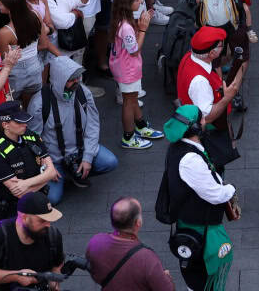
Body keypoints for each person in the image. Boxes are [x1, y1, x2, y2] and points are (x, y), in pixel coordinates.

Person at [157, 104, 236, 291]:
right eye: (201, 119)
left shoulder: (180, 148)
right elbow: (215, 194)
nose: (204, 121)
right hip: (200, 228)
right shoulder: (190, 160)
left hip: (190, 223)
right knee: (203, 273)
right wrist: (230, 189)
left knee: (195, 272)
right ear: (193, 128)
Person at [27, 56, 120, 204]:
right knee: (52, 198)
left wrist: (87, 157)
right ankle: (67, 174)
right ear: (58, 80)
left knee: (110, 162)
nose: (76, 82)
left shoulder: (83, 93)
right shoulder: (39, 103)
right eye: (71, 79)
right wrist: (46, 166)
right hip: (54, 160)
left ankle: (75, 172)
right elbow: (32, 139)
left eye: (78, 77)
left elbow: (93, 126)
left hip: (80, 152)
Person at [174, 26, 241, 172]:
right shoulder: (200, 82)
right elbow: (207, 117)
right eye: (221, 45)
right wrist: (227, 98)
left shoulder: (191, 57)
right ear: (212, 53)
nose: (223, 46)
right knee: (215, 171)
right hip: (210, 137)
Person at [0, 191, 65, 289]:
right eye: (42, 220)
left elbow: (56, 265)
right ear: (24, 217)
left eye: (49, 220)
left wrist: (54, 282)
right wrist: (16, 276)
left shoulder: (52, 235)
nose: (48, 225)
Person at [0, 101, 58, 222]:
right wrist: (45, 178)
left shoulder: (31, 136)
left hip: (39, 202)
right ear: (5, 125)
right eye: (19, 122)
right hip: (13, 213)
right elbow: (20, 194)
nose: (25, 124)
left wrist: (26, 184)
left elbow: (52, 173)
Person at [83, 197, 174, 290]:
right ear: (138, 223)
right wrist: (167, 278)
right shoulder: (147, 258)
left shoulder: (96, 242)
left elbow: (94, 271)